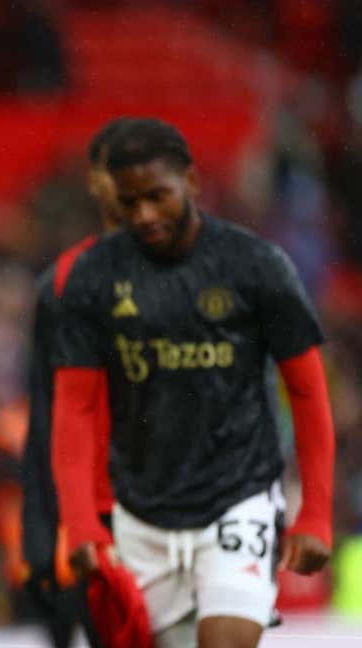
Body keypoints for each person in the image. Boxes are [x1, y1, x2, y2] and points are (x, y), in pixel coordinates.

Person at [50, 118, 334, 648]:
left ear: (193, 183)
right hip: (141, 512)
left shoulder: (257, 266)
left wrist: (316, 511)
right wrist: (80, 519)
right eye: (131, 202)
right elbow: (74, 407)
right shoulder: (92, 277)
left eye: (158, 196)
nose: (146, 215)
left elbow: (308, 390)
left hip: (238, 495)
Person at [21, 117, 130, 648]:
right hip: (90, 521)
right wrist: (38, 533)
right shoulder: (60, 288)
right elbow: (46, 415)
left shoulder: (207, 276)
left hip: (178, 513)